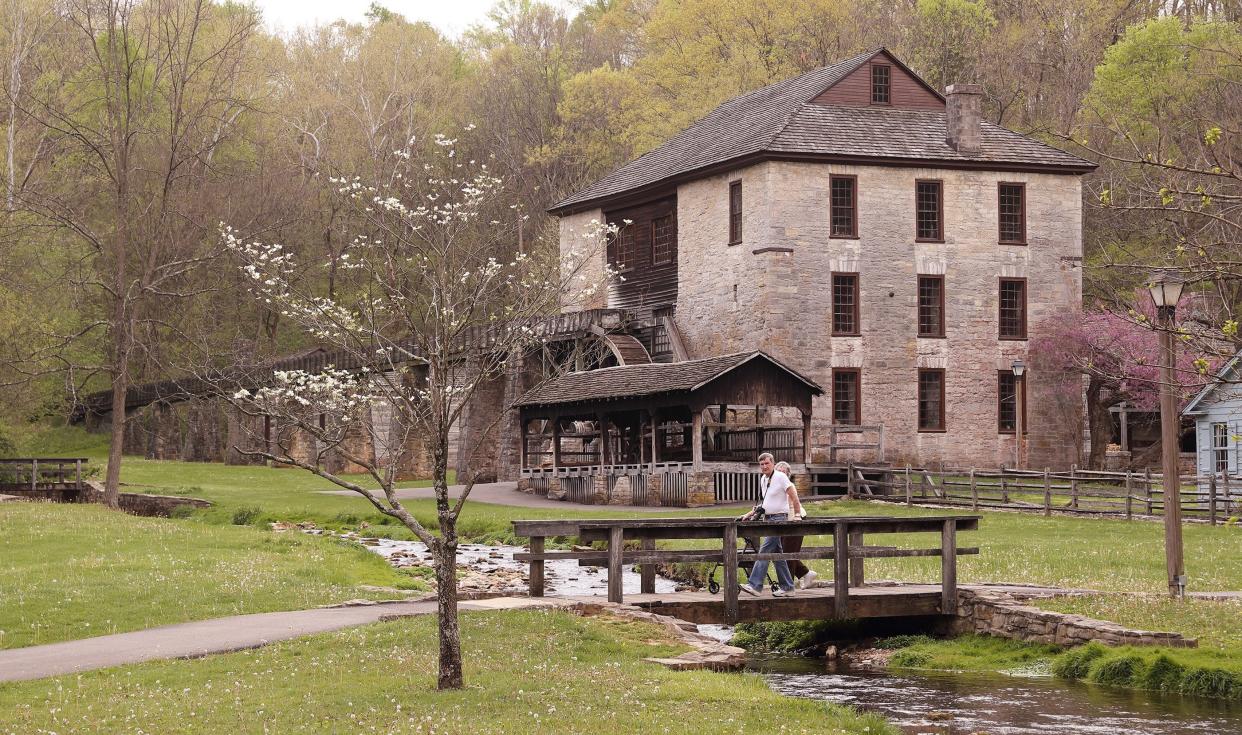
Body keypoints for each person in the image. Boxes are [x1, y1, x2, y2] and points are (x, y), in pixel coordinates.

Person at [738, 452, 800, 597]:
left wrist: (797, 515)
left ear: (772, 463)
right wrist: (749, 514)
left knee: (765, 550)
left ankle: (755, 585)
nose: (765, 466)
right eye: (762, 464)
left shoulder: (780, 477)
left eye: (767, 463)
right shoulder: (764, 479)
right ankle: (788, 587)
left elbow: (793, 494)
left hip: (778, 518)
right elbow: (765, 503)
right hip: (768, 518)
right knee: (777, 554)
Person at [776, 460, 818, 590]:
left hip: (795, 520)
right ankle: (806, 573)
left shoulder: (788, 486)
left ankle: (787, 586)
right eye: (779, 471)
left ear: (788, 474)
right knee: (779, 551)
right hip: (784, 522)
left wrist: (797, 517)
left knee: (787, 553)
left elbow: (792, 503)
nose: (781, 474)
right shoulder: (775, 486)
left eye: (784, 472)